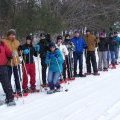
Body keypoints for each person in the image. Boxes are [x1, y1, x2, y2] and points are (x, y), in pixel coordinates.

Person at [4, 29, 22, 96]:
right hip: (8, 63)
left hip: (16, 62)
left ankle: (18, 89)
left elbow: (20, 53)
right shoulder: (5, 42)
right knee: (8, 78)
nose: (13, 36)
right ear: (8, 35)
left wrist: (20, 50)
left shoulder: (17, 42)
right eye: (11, 35)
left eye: (14, 35)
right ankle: (9, 90)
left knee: (17, 77)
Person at [0, 35, 16, 106]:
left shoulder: (3, 44)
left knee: (6, 83)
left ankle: (10, 98)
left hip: (3, 67)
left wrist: (12, 54)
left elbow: (8, 52)